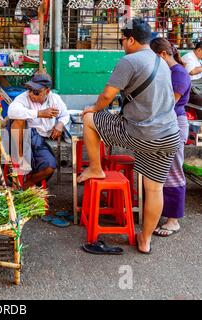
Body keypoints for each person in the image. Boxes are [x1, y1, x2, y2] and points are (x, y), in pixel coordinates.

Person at [77, 17, 180, 254]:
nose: (122, 43)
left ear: (131, 39)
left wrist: (94, 108)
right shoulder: (161, 61)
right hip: (169, 134)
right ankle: (144, 240)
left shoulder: (129, 61)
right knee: (155, 189)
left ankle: (95, 167)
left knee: (89, 120)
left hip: (140, 133)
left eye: (123, 39)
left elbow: (106, 95)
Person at [150, 38, 191, 237]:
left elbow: (167, 104)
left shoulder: (179, 74)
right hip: (162, 126)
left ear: (161, 55)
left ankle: (173, 220)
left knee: (173, 172)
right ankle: (158, 214)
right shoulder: (166, 72)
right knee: (159, 173)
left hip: (174, 125)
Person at [8, 73, 69, 190]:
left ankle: (26, 184)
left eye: (36, 92)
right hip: (23, 136)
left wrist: (60, 125)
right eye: (30, 90)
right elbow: (12, 111)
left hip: (40, 140)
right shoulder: (23, 97)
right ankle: (19, 158)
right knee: (18, 120)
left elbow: (65, 115)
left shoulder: (55, 99)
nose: (31, 94)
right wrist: (40, 113)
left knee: (50, 167)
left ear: (47, 91)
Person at [181, 41, 202, 107]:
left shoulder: (198, 58)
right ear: (199, 50)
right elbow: (192, 71)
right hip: (192, 84)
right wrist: (198, 68)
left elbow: (198, 68)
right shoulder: (189, 57)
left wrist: (198, 68)